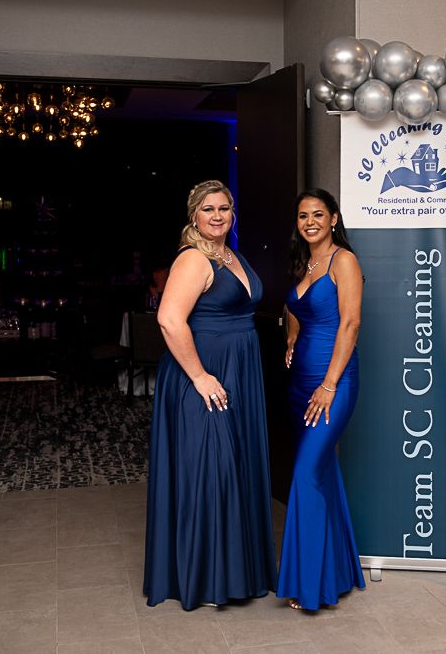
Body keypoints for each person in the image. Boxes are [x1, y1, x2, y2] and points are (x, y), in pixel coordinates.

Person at [144, 180, 277, 610]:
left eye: (224, 208)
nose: (217, 215)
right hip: (201, 377)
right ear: (193, 216)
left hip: (238, 373)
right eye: (208, 209)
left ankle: (237, 572)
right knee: (210, 470)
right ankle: (204, 578)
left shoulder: (229, 255)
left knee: (233, 468)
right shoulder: (193, 259)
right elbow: (168, 319)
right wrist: (200, 376)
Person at [277, 188, 366, 611]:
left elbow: (349, 324)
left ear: (333, 218)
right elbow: (294, 305)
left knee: (306, 475)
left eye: (317, 214)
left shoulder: (343, 261)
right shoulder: (305, 262)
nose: (309, 221)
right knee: (323, 474)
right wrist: (292, 335)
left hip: (333, 383)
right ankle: (338, 574)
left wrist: (329, 384)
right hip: (300, 383)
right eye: (301, 216)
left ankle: (308, 585)